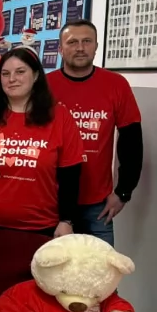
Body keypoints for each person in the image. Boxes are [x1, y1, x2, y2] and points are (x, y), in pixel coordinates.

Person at [0, 47, 84, 238]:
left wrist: (66, 221)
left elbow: (70, 176)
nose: (12, 79)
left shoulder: (60, 117)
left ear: (36, 75)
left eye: (20, 71)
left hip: (42, 228)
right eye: (5, 74)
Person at [46, 19, 144, 246]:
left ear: (96, 46)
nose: (80, 48)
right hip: (50, 202)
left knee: (101, 277)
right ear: (60, 49)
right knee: (50, 276)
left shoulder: (116, 85)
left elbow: (131, 142)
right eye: (72, 42)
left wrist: (123, 192)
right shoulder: (44, 86)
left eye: (86, 41)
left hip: (97, 205)